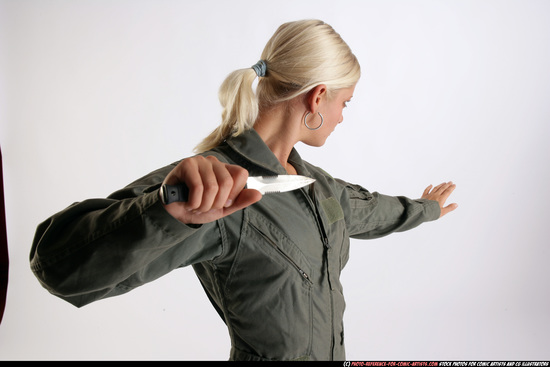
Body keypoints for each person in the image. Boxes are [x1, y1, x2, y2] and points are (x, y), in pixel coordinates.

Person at [30, 19, 457, 361]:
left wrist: (426, 209)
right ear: (318, 97)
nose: (343, 117)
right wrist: (164, 212)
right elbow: (58, 266)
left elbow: (370, 210)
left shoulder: (320, 187)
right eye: (345, 103)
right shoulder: (216, 187)